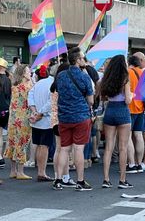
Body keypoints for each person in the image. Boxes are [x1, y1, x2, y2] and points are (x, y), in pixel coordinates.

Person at [53, 47, 94, 192]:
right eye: (83, 58)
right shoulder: (84, 77)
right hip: (81, 116)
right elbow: (90, 100)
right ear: (77, 60)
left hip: (64, 117)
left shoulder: (61, 75)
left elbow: (58, 92)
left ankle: (58, 179)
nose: (85, 60)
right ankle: (80, 181)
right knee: (78, 149)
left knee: (64, 149)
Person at [98, 55, 133, 189]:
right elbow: (128, 100)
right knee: (123, 148)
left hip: (110, 111)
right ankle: (122, 180)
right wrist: (130, 95)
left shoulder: (106, 78)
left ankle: (106, 179)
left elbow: (103, 97)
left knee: (109, 147)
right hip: (122, 112)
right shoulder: (125, 78)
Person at [50, 62, 76, 190]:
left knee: (59, 149)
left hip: (54, 120)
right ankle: (63, 177)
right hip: (63, 119)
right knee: (64, 150)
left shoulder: (54, 86)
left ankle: (59, 176)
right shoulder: (62, 86)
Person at [4, 64, 33, 180]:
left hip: (13, 118)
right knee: (22, 143)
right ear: (23, 74)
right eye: (28, 71)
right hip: (24, 118)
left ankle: (13, 170)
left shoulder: (14, 87)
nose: (30, 73)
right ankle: (20, 171)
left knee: (12, 142)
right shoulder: (28, 87)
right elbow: (31, 103)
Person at [28, 65, 54, 182]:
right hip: (46, 120)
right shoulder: (52, 82)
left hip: (36, 120)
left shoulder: (36, 85)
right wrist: (41, 113)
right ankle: (42, 172)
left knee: (38, 145)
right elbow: (51, 101)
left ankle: (40, 171)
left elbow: (30, 99)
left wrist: (35, 112)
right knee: (44, 146)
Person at [126, 55, 145, 173]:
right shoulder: (143, 73)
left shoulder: (128, 72)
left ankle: (132, 164)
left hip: (130, 107)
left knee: (128, 136)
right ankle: (139, 163)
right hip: (141, 108)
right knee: (139, 135)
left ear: (130, 62)